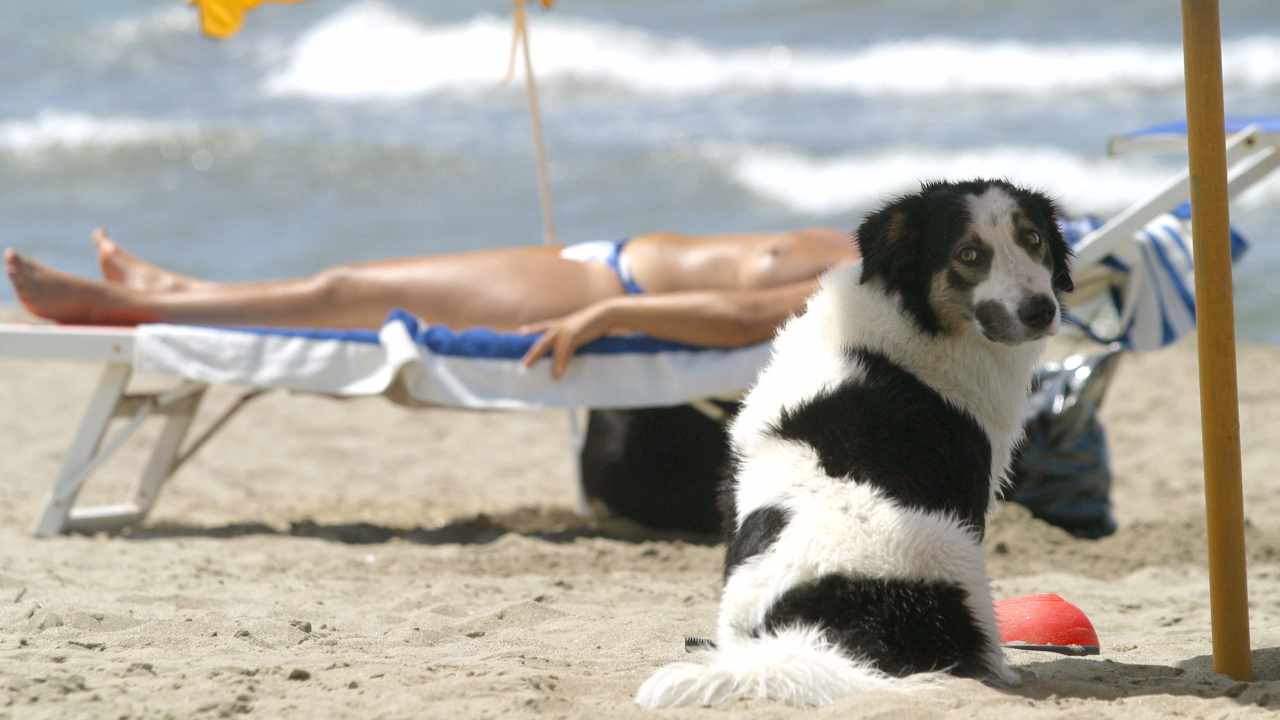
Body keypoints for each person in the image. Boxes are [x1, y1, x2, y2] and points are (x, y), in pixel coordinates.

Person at [4, 228, 859, 377]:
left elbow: (748, 320)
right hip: (600, 260)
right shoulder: (884, 240)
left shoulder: (871, 281)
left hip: (601, 288)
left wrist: (608, 316)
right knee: (350, 281)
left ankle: (135, 308)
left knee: (347, 291)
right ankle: (177, 292)